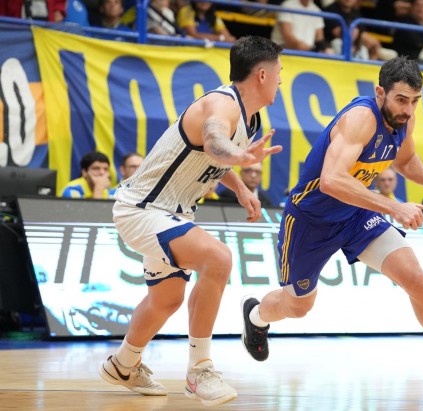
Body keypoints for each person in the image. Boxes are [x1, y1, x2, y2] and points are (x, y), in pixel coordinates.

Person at [239, 57, 423, 392]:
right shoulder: (360, 118)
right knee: (297, 307)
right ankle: (255, 316)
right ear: (380, 92)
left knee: (416, 279)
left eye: (415, 101)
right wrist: (394, 206)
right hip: (311, 221)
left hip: (356, 213)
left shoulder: (404, 119)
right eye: (401, 100)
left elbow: (405, 161)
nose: (408, 109)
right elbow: (331, 180)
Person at [98, 36, 284, 406]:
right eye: (279, 72)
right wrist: (240, 157)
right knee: (218, 258)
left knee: (166, 300)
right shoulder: (221, 104)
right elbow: (215, 143)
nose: (281, 79)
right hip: (143, 209)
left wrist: (241, 189)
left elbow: (212, 158)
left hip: (169, 213)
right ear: (262, 75)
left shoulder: (248, 118)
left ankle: (123, 364)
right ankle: (199, 369)